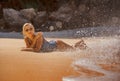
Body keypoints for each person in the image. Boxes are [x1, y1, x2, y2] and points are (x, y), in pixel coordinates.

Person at [21, 23, 87, 52]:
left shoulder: (39, 36)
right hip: (51, 44)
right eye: (27, 30)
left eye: (31, 28)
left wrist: (35, 39)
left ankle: (81, 42)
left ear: (33, 29)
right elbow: (30, 47)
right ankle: (81, 43)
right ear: (24, 32)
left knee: (73, 49)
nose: (29, 31)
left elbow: (37, 50)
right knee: (72, 48)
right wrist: (34, 40)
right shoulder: (26, 38)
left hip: (56, 45)